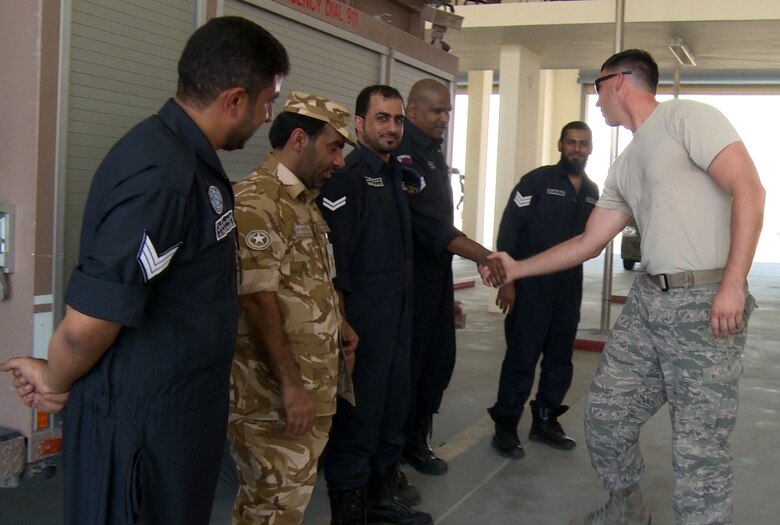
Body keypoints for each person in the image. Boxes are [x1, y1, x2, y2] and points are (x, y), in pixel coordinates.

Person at [0, 16, 289, 525]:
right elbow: (86, 327)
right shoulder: (162, 176)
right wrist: (53, 377)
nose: (269, 117)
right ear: (234, 99)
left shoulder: (191, 161)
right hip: (139, 435)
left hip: (176, 422)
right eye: (269, 102)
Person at [485, 49, 765, 525]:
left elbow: (750, 190)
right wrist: (517, 268)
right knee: (605, 417)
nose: (596, 102)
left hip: (703, 302)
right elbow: (587, 242)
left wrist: (733, 284)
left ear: (618, 81)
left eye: (597, 88)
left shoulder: (685, 118)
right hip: (648, 301)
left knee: (699, 446)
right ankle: (626, 510)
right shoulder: (627, 163)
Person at [229, 91, 360, 525]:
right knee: (272, 508)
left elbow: (307, 280)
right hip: (272, 399)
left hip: (309, 388)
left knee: (282, 505)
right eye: (334, 147)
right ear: (300, 139)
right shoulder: (258, 200)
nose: (339, 161)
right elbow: (256, 299)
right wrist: (290, 387)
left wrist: (339, 324)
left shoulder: (303, 202)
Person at [318, 85, 432, 525]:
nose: (392, 127)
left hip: (397, 323)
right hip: (363, 329)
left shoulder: (395, 175)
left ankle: (381, 502)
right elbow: (335, 264)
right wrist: (344, 326)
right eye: (382, 118)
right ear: (359, 124)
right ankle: (349, 514)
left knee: (390, 413)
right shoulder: (347, 178)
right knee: (357, 422)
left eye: (398, 119)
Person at [395, 78, 504, 476]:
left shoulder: (432, 153)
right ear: (413, 110)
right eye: (436, 110)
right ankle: (397, 452)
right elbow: (429, 227)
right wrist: (483, 255)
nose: (443, 118)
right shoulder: (404, 157)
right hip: (409, 281)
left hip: (436, 275)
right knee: (409, 367)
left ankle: (417, 438)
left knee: (438, 360)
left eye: (447, 111)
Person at [488, 121, 599, 459]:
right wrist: (508, 282)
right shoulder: (536, 182)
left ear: (590, 149)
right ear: (560, 145)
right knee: (522, 357)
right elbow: (509, 230)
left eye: (583, 143)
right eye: (571, 142)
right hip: (531, 286)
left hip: (569, 288)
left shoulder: (592, 191)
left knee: (560, 358)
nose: (577, 149)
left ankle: (546, 420)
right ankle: (506, 426)